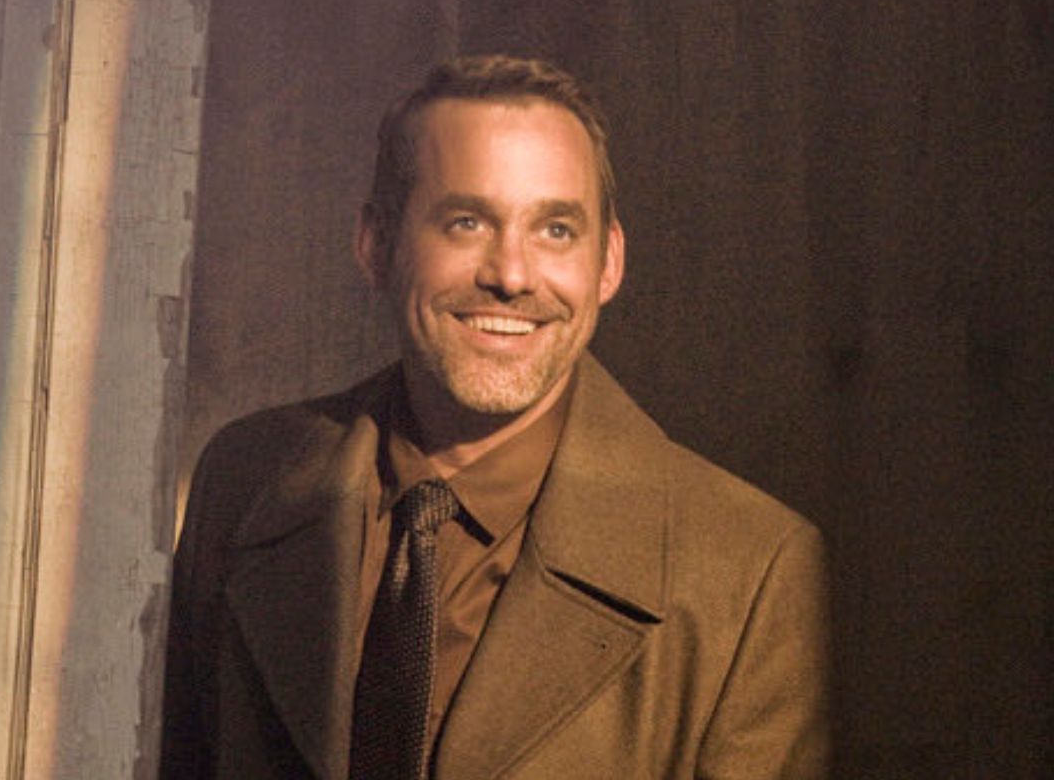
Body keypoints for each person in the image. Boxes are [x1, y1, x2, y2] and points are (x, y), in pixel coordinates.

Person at [160, 55, 830, 780]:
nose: (510, 275)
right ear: (376, 245)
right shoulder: (244, 482)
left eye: (556, 230)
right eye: (466, 222)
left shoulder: (750, 572)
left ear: (608, 263)